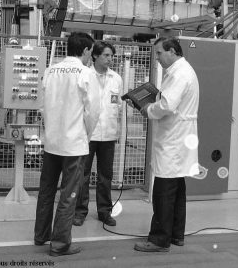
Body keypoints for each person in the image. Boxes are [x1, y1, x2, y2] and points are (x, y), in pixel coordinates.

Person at [34, 32, 100, 257]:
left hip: (52, 141)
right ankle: (61, 243)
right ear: (85, 50)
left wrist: (51, 129)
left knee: (46, 190)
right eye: (91, 52)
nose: (91, 56)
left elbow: (41, 107)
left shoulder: (50, 70)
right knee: (69, 193)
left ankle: (41, 235)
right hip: (73, 144)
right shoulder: (86, 73)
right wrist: (86, 135)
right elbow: (93, 112)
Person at [134, 37, 199, 252]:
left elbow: (167, 105)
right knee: (177, 190)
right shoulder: (183, 70)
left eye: (160, 53)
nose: (158, 57)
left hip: (173, 139)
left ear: (172, 51)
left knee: (163, 191)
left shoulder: (179, 73)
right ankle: (176, 235)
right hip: (179, 137)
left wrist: (147, 109)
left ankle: (159, 240)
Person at [73, 41, 122, 227]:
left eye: (111, 56)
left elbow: (117, 105)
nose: (110, 59)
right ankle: (80, 211)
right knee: (83, 175)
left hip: (108, 135)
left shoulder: (116, 78)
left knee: (105, 176)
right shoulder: (85, 76)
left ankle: (104, 211)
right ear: (95, 56)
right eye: (106, 55)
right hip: (88, 134)